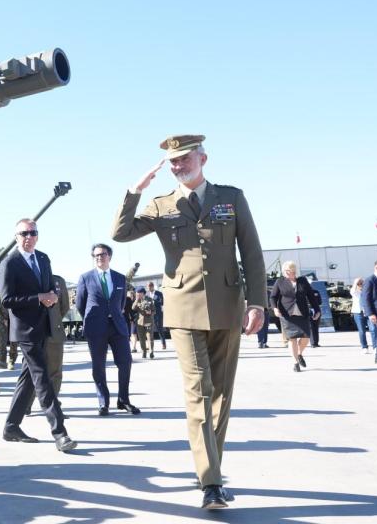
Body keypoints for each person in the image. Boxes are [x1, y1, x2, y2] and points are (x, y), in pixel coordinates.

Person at [112, 135, 265, 510]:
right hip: (183, 310)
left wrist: (258, 303)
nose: (178, 166)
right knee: (199, 390)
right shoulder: (161, 204)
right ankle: (211, 483)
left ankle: (211, 470)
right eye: (172, 162)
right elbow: (121, 232)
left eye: (184, 159)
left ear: (202, 158)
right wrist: (135, 191)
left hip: (229, 307)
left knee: (221, 396)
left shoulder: (231, 198)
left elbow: (252, 253)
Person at [0, 218, 77, 452]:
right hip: (25, 329)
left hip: (45, 325)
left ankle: (11, 426)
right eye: (24, 233)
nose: (28, 237)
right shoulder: (9, 263)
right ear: (16, 237)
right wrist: (39, 298)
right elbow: (6, 300)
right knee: (42, 378)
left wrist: (50, 295)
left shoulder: (43, 258)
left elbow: (49, 287)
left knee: (28, 379)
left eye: (33, 233)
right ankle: (60, 433)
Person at [75, 244, 139, 416]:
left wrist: (114, 314)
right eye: (95, 255)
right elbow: (80, 304)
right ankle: (103, 402)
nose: (99, 257)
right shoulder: (85, 278)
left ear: (109, 256)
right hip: (96, 328)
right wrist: (94, 318)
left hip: (117, 327)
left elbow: (122, 304)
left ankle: (123, 400)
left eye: (102, 254)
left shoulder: (119, 278)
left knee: (125, 362)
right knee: (99, 366)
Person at [269, 261, 321, 372]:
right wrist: (275, 308)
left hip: (302, 313)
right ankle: (295, 362)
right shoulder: (280, 282)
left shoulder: (302, 281)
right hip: (287, 314)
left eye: (290, 271)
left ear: (294, 271)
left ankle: (299, 354)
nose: (288, 273)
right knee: (292, 339)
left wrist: (317, 310)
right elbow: (273, 297)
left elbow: (311, 296)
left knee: (306, 337)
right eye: (286, 271)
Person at [45, 273, 71, 399]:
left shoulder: (58, 281)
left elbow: (65, 305)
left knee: (55, 371)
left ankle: (52, 402)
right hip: (34, 332)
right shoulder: (29, 279)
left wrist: (54, 320)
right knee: (31, 370)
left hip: (54, 331)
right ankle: (26, 404)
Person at [350, 277, 373, 354]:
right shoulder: (355, 291)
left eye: (362, 283)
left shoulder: (367, 290)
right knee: (362, 331)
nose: (360, 284)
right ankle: (364, 347)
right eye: (359, 283)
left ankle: (375, 346)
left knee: (373, 329)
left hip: (368, 312)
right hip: (358, 312)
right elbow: (353, 291)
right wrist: (355, 282)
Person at [132, 287, 156, 358]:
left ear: (142, 293)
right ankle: (144, 352)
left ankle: (151, 352)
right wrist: (136, 300)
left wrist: (150, 312)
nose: (137, 294)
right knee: (141, 338)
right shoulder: (137, 300)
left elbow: (154, 310)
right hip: (140, 322)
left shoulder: (149, 299)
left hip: (149, 321)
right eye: (137, 293)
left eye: (138, 293)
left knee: (150, 337)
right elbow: (133, 308)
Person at [0, 304, 18, 369]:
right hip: (2, 321)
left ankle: (12, 360)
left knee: (13, 341)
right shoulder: (0, 296)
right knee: (2, 341)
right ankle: (2, 361)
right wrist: (3, 320)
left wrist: (12, 320)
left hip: (14, 320)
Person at [147, 281, 168, 350]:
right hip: (149, 315)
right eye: (148, 287)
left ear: (152, 286)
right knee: (148, 330)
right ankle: (149, 345)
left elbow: (162, 302)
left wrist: (154, 301)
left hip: (158, 314)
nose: (149, 288)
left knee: (160, 329)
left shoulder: (159, 293)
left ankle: (163, 344)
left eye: (150, 287)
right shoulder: (147, 295)